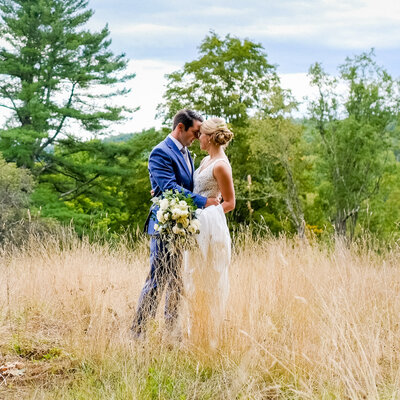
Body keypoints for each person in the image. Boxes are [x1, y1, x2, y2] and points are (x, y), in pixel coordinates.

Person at [131, 109, 220, 338]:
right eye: (195, 131)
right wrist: (205, 202)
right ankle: (139, 333)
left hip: (181, 226)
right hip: (163, 226)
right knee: (157, 279)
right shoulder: (160, 152)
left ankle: (171, 332)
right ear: (180, 127)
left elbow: (184, 186)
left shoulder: (188, 155)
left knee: (176, 282)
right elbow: (170, 188)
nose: (197, 137)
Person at [183, 117, 235, 348]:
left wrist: (203, 218)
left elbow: (230, 202)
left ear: (211, 137)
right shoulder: (205, 160)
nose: (198, 137)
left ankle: (210, 338)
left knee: (209, 281)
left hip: (210, 230)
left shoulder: (221, 165)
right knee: (193, 279)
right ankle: (195, 334)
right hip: (195, 229)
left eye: (201, 134)